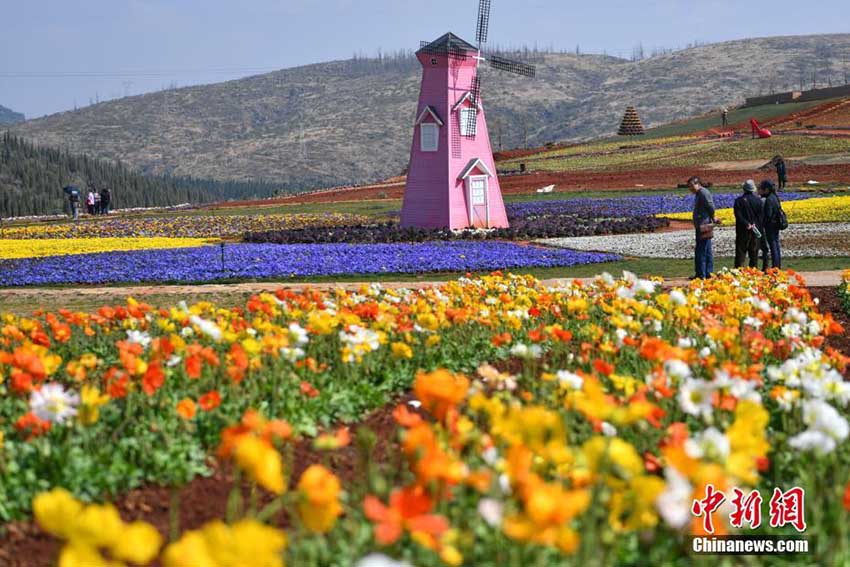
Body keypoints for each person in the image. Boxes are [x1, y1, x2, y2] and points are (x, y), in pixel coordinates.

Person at [688, 176, 716, 279]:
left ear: (698, 184)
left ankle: (701, 274)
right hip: (702, 224)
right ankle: (708, 273)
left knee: (701, 251)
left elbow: (710, 206)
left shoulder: (703, 193)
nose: (690, 188)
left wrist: (713, 216)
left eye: (692, 186)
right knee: (706, 250)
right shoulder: (700, 193)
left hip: (703, 226)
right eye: (689, 186)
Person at [733, 180, 763, 268]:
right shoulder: (758, 201)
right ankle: (753, 271)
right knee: (754, 252)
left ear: (744, 189)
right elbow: (760, 216)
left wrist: (746, 224)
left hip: (742, 229)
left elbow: (738, 215)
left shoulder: (739, 201)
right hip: (755, 229)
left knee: (741, 252)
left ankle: (739, 271)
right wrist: (754, 224)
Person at [759, 180, 783, 270]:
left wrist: (763, 223)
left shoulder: (769, 199)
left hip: (771, 226)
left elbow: (768, 214)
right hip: (776, 224)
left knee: (773, 246)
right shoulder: (775, 197)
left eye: (761, 189)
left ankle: (775, 266)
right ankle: (777, 265)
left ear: (766, 189)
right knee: (776, 245)